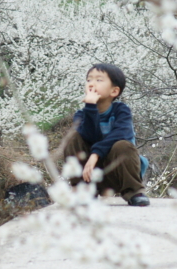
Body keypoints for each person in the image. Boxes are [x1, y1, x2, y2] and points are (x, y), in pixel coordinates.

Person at [61, 63, 150, 206]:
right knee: (73, 137)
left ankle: (134, 192)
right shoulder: (81, 115)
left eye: (99, 80)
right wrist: (90, 108)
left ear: (114, 91)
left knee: (122, 145)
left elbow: (121, 134)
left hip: (119, 174)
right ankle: (81, 190)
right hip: (89, 174)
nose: (92, 83)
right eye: (89, 79)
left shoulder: (121, 111)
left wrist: (95, 154)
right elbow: (90, 136)